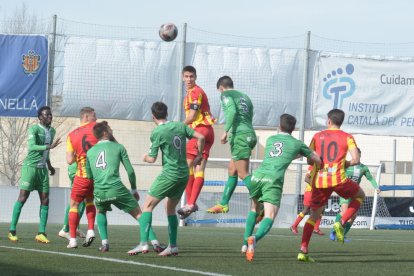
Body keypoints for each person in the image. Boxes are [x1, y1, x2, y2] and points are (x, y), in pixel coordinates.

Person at [128, 102, 205, 256]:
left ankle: (143, 244)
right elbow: (201, 137)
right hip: (183, 173)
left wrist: (143, 157)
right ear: (167, 113)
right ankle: (173, 246)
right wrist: (199, 155)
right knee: (170, 208)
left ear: (153, 116)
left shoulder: (157, 132)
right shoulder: (180, 126)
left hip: (170, 173)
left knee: (147, 206)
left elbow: (151, 158)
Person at [241, 114, 321, 262]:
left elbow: (282, 154)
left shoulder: (271, 139)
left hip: (257, 176)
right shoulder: (297, 143)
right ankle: (254, 238)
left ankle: (245, 244)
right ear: (294, 129)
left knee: (254, 209)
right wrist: (317, 162)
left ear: (279, 126)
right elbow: (316, 158)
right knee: (269, 216)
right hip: (273, 179)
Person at [298, 109, 365, 263]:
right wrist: (343, 164)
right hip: (339, 179)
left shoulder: (317, 136)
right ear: (341, 121)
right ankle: (340, 222)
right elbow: (355, 160)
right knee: (360, 195)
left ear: (328, 120)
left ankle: (303, 250)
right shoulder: (348, 137)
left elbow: (309, 160)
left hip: (320, 180)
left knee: (314, 215)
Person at [86, 121, 164, 253]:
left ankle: (105, 244)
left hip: (100, 190)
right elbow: (130, 171)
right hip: (116, 188)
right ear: (105, 133)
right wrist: (134, 189)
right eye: (110, 129)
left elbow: (89, 176)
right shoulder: (118, 147)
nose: (112, 130)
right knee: (140, 215)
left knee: (100, 212)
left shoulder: (90, 152)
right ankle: (155, 243)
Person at [8, 106, 61, 243]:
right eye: (47, 115)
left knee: (45, 200)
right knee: (23, 197)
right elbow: (32, 146)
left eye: (50, 114)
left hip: (42, 170)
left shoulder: (52, 131)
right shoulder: (34, 129)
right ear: (40, 117)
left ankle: (41, 233)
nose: (50, 117)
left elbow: (46, 152)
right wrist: (49, 147)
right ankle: (12, 230)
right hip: (30, 168)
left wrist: (50, 166)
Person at [207, 76, 257, 214]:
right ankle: (223, 203)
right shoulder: (245, 96)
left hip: (240, 137)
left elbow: (232, 112)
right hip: (249, 134)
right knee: (232, 170)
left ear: (221, 88)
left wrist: (226, 131)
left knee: (243, 173)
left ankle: (262, 202)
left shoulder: (225, 94)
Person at [177, 65, 216, 219]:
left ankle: (190, 203)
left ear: (196, 77)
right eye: (186, 76)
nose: (189, 79)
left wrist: (178, 126)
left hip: (201, 131)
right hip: (207, 132)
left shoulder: (195, 92)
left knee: (186, 167)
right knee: (198, 168)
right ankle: (191, 203)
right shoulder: (190, 93)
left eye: (191, 76)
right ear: (182, 77)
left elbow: (192, 116)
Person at [330, 148, 380, 242]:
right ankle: (333, 232)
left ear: (360, 155)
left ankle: (342, 235)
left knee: (353, 217)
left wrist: (376, 187)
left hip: (355, 193)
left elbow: (370, 179)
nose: (355, 155)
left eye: (357, 154)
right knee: (345, 214)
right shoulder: (346, 165)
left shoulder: (363, 168)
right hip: (344, 193)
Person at [66, 107, 99, 248]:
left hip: (82, 176)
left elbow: (69, 161)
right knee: (90, 201)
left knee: (73, 205)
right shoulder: (98, 129)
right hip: (97, 176)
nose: (96, 119)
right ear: (86, 117)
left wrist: (78, 154)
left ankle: (72, 240)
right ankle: (91, 229)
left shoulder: (71, 135)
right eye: (94, 116)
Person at [290, 166, 324, 236]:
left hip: (319, 192)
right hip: (310, 191)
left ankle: (316, 228)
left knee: (321, 209)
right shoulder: (312, 166)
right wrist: (315, 186)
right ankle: (294, 226)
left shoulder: (324, 168)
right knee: (306, 209)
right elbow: (306, 179)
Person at [58, 162, 86, 239]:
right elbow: (70, 159)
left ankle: (75, 228)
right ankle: (65, 229)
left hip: (80, 166)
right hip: (77, 167)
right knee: (76, 203)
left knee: (82, 203)